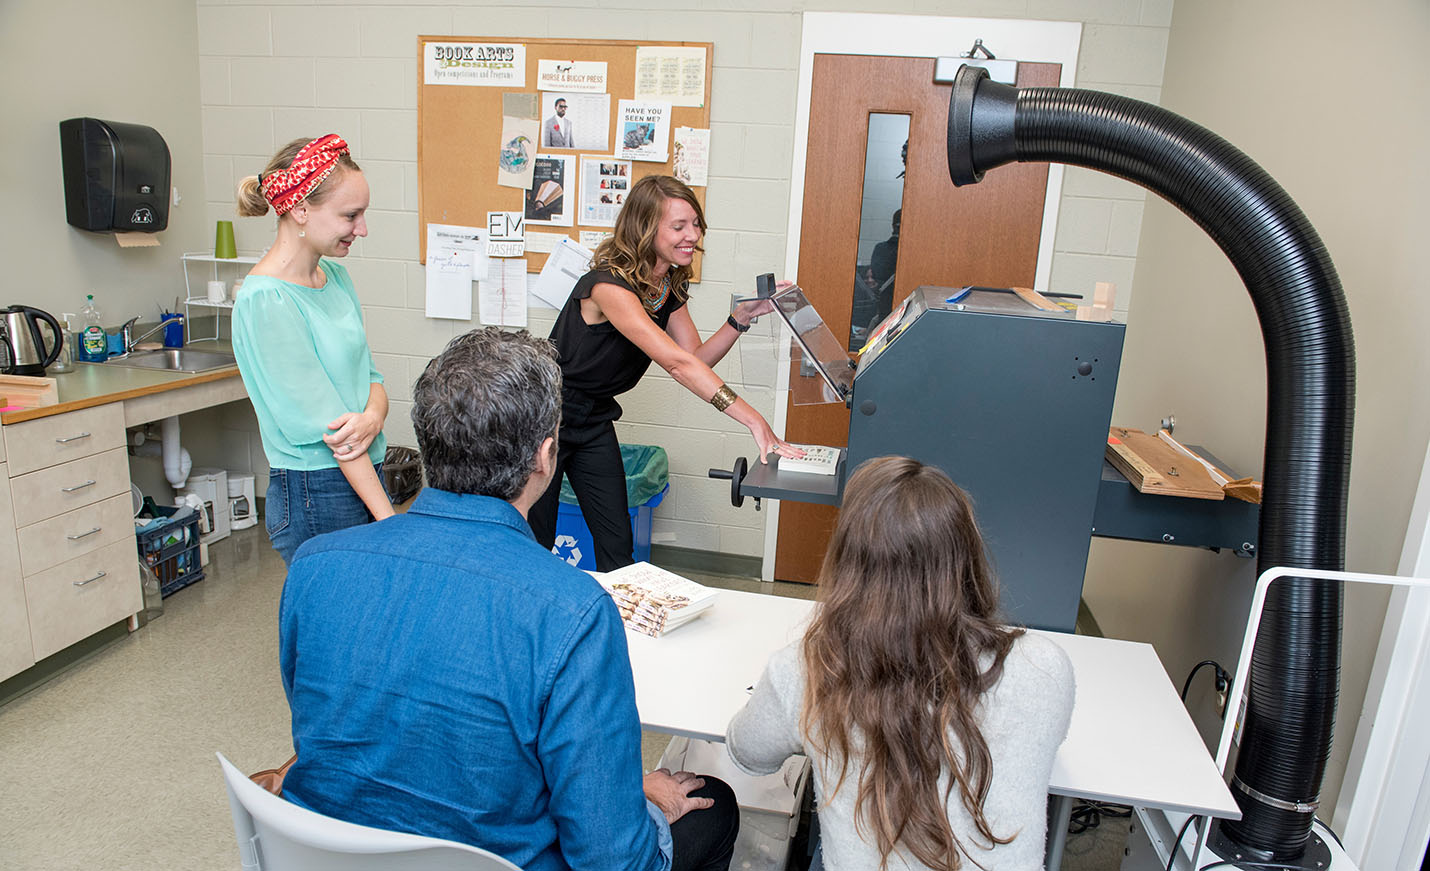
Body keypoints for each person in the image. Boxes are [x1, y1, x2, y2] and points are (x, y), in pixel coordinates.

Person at [279, 327, 739, 871]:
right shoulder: (572, 609)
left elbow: (362, 733)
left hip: (328, 854)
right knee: (716, 805)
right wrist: (637, 802)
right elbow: (612, 859)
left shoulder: (314, 565)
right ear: (546, 457)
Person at [726, 456, 1075, 871]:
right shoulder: (1044, 665)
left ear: (848, 561)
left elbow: (747, 753)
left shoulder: (806, 668)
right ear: (965, 555)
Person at [528, 174, 800, 570]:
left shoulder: (665, 286)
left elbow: (696, 361)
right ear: (645, 228)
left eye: (695, 223)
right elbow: (676, 364)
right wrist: (754, 420)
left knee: (617, 546)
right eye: (679, 226)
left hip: (593, 421)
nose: (693, 234)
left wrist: (739, 319)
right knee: (536, 541)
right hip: (544, 421)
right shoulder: (607, 286)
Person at [233, 134, 393, 566]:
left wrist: (373, 416)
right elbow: (335, 434)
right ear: (301, 209)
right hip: (316, 491)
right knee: (342, 624)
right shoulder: (266, 302)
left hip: (365, 471)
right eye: (350, 215)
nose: (362, 229)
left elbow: (372, 379)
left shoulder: (336, 280)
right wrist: (390, 522)